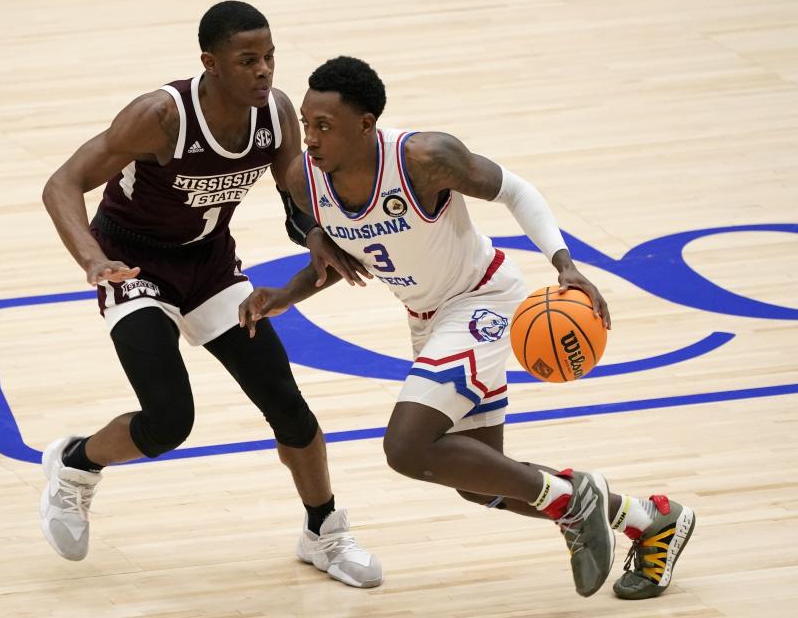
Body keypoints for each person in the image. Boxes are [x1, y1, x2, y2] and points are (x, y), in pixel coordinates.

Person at [239, 56, 696, 599]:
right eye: (308, 124)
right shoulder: (303, 178)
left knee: (406, 447)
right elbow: (350, 256)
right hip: (425, 319)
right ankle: (651, 520)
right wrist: (287, 295)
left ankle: (575, 502)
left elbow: (516, 191)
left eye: (324, 126)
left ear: (366, 126)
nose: (309, 139)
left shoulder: (424, 158)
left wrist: (564, 263)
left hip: (482, 300)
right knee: (479, 482)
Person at [38, 2, 381, 588]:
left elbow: (295, 192)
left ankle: (323, 530)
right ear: (210, 63)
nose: (265, 71)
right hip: (135, 266)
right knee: (170, 421)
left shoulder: (276, 114)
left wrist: (317, 233)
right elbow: (62, 183)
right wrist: (95, 261)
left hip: (211, 265)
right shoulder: (159, 116)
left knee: (287, 404)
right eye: (248, 60)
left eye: (270, 57)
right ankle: (75, 466)